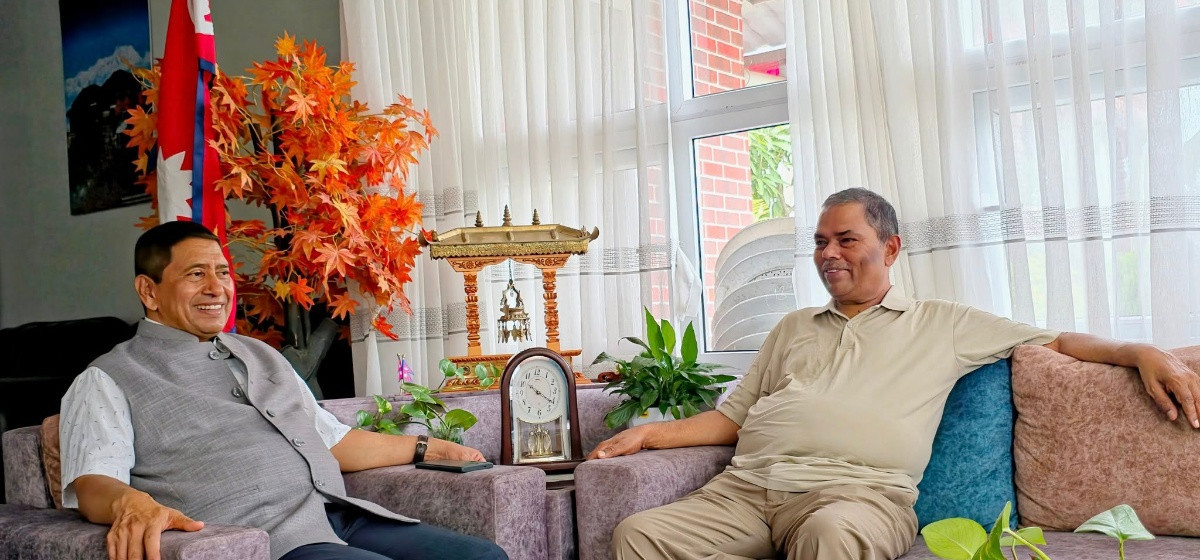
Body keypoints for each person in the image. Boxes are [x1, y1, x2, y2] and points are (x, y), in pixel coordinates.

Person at [589, 188, 1200, 560]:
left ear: (891, 248)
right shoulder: (793, 327)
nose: (829, 253)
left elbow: (1057, 340)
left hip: (856, 498)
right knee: (639, 536)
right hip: (745, 492)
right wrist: (650, 434)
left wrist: (1139, 351)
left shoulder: (943, 323)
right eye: (820, 242)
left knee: (829, 536)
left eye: (846, 239)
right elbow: (733, 417)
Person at [59, 221, 508, 560]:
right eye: (196, 274)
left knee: (484, 556)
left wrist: (426, 447)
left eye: (222, 272)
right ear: (148, 291)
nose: (217, 288)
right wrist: (131, 502)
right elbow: (93, 482)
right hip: (264, 540)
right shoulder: (107, 378)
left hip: (339, 515)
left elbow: (330, 440)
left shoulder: (260, 353)